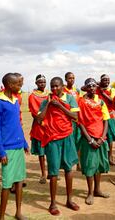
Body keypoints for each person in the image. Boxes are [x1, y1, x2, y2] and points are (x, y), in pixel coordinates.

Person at [38, 77, 80, 216]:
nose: (54, 89)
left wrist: (60, 106)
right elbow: (39, 120)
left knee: (69, 168)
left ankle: (69, 199)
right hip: (52, 138)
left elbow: (75, 116)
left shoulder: (69, 98)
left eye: (57, 86)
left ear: (62, 86)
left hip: (67, 136)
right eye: (52, 86)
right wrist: (49, 104)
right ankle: (53, 203)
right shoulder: (46, 101)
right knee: (54, 171)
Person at [0, 73, 29, 220]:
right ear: (9, 84)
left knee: (19, 180)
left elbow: (17, 125)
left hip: (18, 147)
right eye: (17, 84)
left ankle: (18, 212)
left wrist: (24, 142)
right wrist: (1, 152)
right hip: (7, 149)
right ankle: (1, 216)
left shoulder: (15, 101)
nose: (19, 86)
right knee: (7, 184)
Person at [78, 78, 111, 205]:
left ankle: (97, 190)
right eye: (89, 86)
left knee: (98, 165)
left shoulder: (101, 102)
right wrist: (90, 139)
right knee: (90, 165)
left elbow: (106, 120)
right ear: (85, 88)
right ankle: (90, 192)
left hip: (100, 138)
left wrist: (102, 138)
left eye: (94, 86)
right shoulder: (81, 102)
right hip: (88, 138)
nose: (92, 88)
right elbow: (80, 122)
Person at [28, 74, 50, 184]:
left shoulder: (49, 94)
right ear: (36, 83)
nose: (42, 84)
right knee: (41, 153)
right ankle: (43, 174)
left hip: (50, 126)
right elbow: (35, 113)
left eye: (44, 82)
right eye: (40, 82)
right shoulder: (32, 96)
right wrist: (43, 122)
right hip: (39, 126)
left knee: (51, 150)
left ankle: (51, 172)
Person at [96, 74, 115, 166]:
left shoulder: (112, 90)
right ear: (101, 81)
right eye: (104, 80)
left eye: (108, 80)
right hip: (99, 117)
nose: (106, 82)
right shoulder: (96, 89)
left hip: (110, 117)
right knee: (100, 137)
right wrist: (97, 85)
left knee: (109, 139)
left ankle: (109, 157)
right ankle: (102, 157)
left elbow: (112, 101)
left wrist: (103, 93)